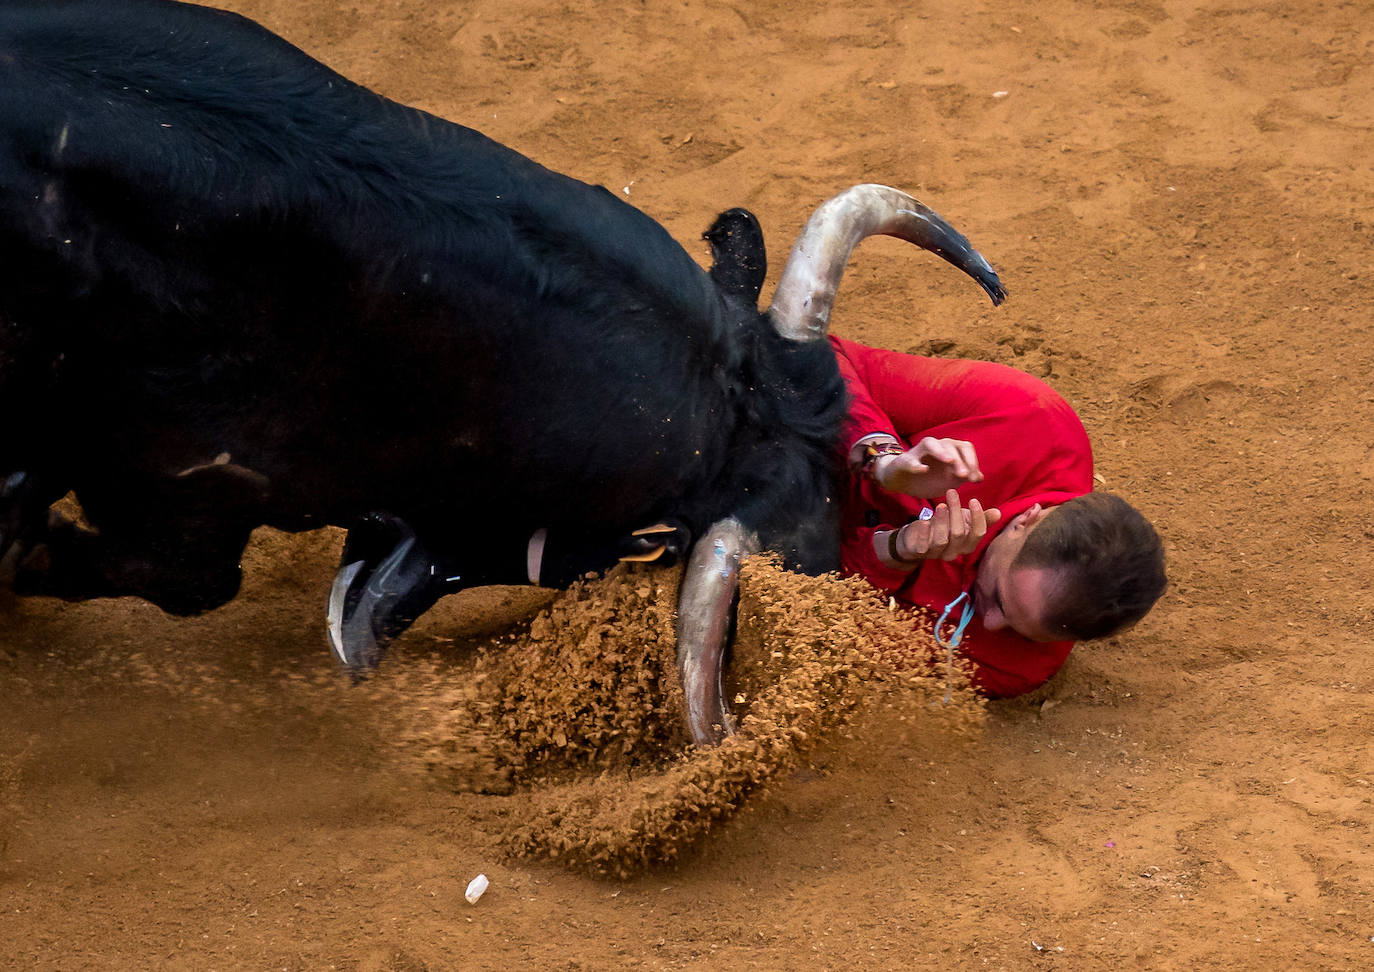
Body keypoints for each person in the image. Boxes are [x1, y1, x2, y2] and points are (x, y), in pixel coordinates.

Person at [830, 334, 1167, 697]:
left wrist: (894, 551)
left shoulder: (1016, 667)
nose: (989, 625)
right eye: (998, 599)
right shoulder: (1029, 416)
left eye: (1018, 632)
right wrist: (883, 460)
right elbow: (821, 357)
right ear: (1028, 520)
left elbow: (827, 630)